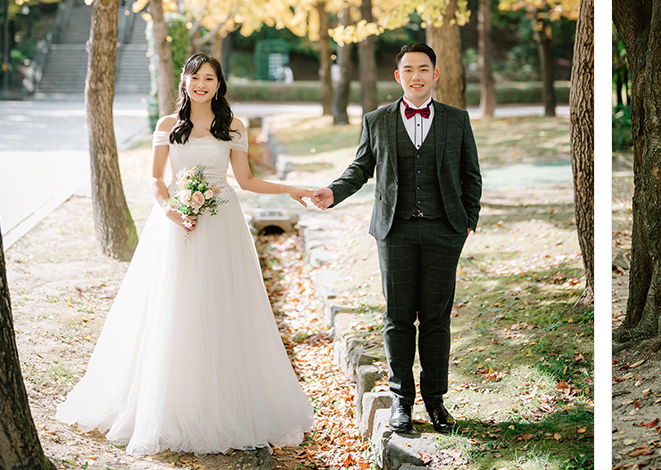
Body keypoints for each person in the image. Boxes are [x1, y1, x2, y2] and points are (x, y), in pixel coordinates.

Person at [57, 54, 314, 455]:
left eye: (209, 78)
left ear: (218, 84)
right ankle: (169, 404)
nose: (201, 83)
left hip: (222, 224)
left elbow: (245, 181)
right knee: (172, 306)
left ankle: (224, 403)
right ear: (185, 79)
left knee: (220, 306)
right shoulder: (167, 125)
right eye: (195, 76)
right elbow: (157, 179)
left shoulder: (232, 126)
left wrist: (288, 189)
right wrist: (169, 210)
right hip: (175, 224)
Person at [312, 43, 482, 435]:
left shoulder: (457, 120)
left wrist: (467, 220)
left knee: (436, 319)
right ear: (398, 76)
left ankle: (437, 402)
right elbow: (360, 168)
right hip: (395, 231)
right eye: (409, 70)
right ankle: (401, 403)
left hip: (444, 231)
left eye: (424, 69)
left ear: (435, 74)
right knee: (398, 317)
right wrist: (334, 192)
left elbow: (471, 173)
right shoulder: (377, 120)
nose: (417, 76)